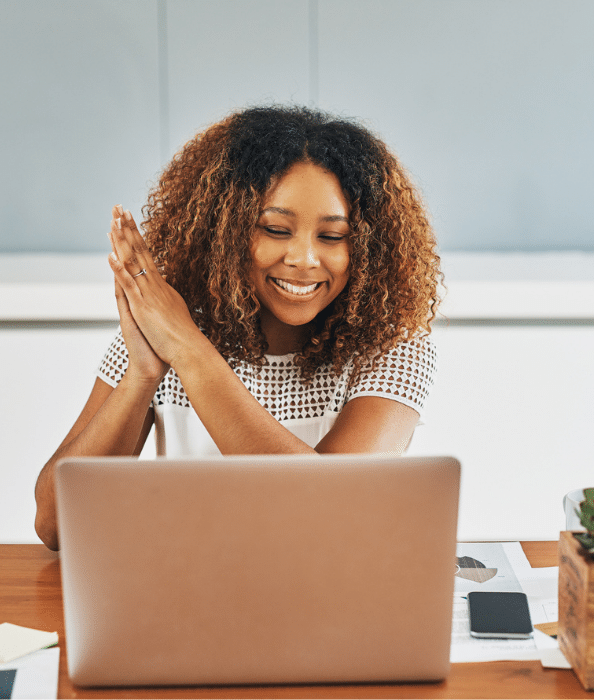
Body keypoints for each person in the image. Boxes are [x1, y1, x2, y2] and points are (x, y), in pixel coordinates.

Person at [34, 105, 441, 550]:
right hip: (188, 599)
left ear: (366, 245)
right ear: (225, 231)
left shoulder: (394, 347)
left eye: (332, 236)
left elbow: (328, 514)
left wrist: (191, 352)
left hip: (329, 605)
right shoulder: (166, 329)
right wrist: (143, 375)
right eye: (275, 229)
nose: (303, 259)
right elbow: (56, 524)